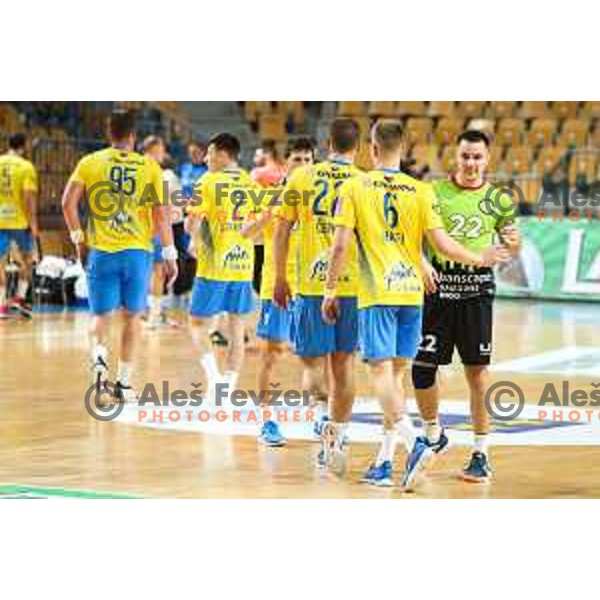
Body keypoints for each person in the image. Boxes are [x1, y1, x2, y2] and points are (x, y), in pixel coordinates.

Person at [322, 120, 509, 488]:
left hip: (378, 293)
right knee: (396, 377)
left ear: (372, 149)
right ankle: (385, 460)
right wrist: (479, 258)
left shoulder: (355, 185)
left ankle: (416, 442)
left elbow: (341, 245)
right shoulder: (421, 190)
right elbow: (441, 246)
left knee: (380, 373)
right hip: (414, 294)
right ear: (403, 149)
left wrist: (330, 289)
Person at [409, 129, 521, 484]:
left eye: (477, 157)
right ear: (455, 158)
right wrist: (423, 263)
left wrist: (512, 247)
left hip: (476, 294)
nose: (471, 163)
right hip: (438, 291)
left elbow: (510, 246)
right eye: (465, 156)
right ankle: (432, 435)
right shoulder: (434, 193)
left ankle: (480, 453)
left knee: (478, 374)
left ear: (487, 159)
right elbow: (411, 239)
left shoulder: (500, 199)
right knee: (422, 370)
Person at [62, 109, 178, 401]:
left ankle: (100, 356)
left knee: (101, 316)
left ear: (108, 134)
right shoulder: (150, 167)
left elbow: (67, 203)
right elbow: (161, 215)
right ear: (133, 136)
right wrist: (169, 253)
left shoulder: (90, 162)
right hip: (138, 254)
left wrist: (79, 238)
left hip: (102, 252)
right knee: (132, 318)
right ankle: (124, 385)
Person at [273, 118, 362, 474]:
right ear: (358, 148)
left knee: (311, 364)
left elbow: (281, 233)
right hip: (352, 285)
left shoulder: (301, 177)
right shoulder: (364, 182)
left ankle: (323, 420)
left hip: (310, 284)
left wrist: (280, 276)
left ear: (327, 145)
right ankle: (337, 432)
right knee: (344, 364)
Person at [241, 136, 315, 446]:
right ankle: (268, 421)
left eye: (309, 160)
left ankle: (321, 418)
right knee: (272, 355)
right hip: (278, 286)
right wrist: (270, 212)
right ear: (286, 165)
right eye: (297, 160)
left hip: (312, 286)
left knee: (317, 357)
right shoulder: (270, 196)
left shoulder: (319, 199)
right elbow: (246, 232)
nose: (303, 165)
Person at [185, 133, 258, 401]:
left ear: (224, 154)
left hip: (214, 266)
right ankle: (227, 390)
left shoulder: (208, 181)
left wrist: (192, 237)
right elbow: (258, 225)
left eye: (210, 152)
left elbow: (191, 224)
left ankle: (215, 379)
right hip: (242, 264)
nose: (206, 158)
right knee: (237, 330)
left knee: (195, 324)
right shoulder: (250, 181)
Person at [0, 133, 39, 319]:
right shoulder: (26, 166)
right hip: (19, 222)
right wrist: (33, 224)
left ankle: (1, 307)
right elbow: (28, 197)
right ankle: (20, 299)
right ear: (23, 146)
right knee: (28, 261)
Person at [142, 135, 170, 328]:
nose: (164, 154)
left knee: (145, 271)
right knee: (156, 271)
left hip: (135, 229)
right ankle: (153, 315)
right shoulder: (154, 170)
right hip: (151, 228)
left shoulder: (136, 166)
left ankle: (146, 314)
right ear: (152, 148)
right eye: (161, 149)